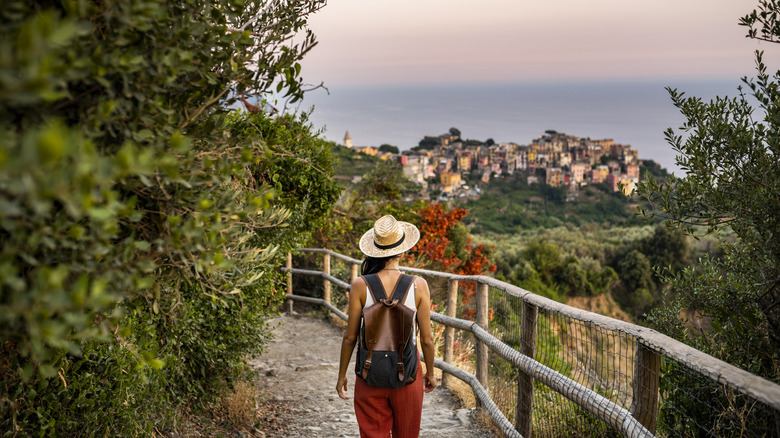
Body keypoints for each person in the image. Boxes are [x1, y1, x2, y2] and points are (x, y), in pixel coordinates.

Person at [336, 215, 438, 438]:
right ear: (402, 251)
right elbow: (427, 340)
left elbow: (350, 337)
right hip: (408, 374)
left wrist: (342, 374)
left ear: (374, 250)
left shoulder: (360, 285)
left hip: (369, 373)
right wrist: (430, 372)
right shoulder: (418, 285)